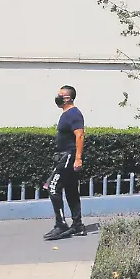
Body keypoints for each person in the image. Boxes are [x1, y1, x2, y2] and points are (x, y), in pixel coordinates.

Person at [43, 85, 85, 241]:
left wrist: (78, 158)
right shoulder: (67, 114)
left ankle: (61, 225)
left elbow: (80, 135)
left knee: (53, 187)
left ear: (67, 98)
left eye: (60, 95)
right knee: (71, 190)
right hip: (65, 156)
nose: (58, 97)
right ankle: (78, 225)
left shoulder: (74, 114)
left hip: (69, 156)